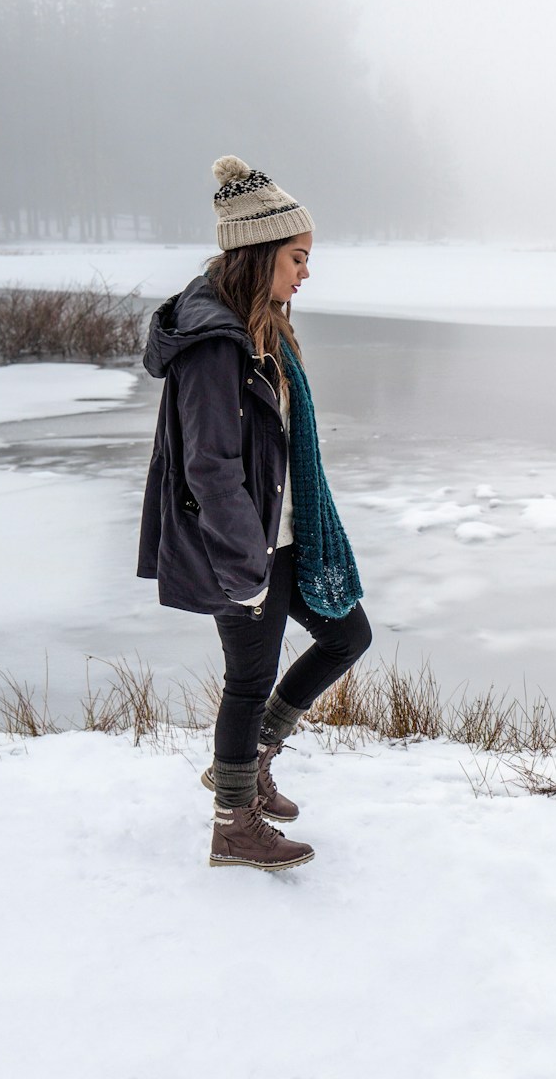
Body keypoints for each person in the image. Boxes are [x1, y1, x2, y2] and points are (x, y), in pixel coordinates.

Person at [137, 155, 372, 871]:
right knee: (249, 678)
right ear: (261, 252)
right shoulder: (216, 344)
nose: (305, 273)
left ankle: (252, 760)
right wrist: (246, 565)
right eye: (298, 258)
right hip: (243, 547)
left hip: (284, 535)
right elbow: (211, 467)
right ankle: (233, 824)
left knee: (346, 635)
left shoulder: (260, 326)